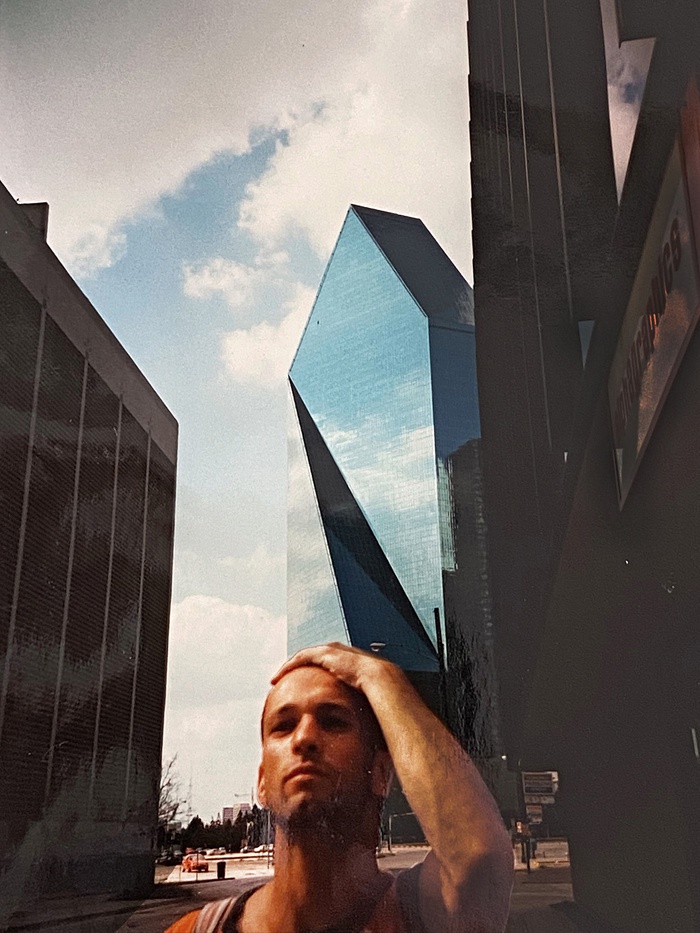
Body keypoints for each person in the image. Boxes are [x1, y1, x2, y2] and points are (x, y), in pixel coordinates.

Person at [165, 642, 513, 932]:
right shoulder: (195, 929)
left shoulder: (418, 914)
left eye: (333, 722)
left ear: (381, 773)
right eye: (284, 726)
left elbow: (479, 858)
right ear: (262, 783)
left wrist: (378, 675)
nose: (304, 738)